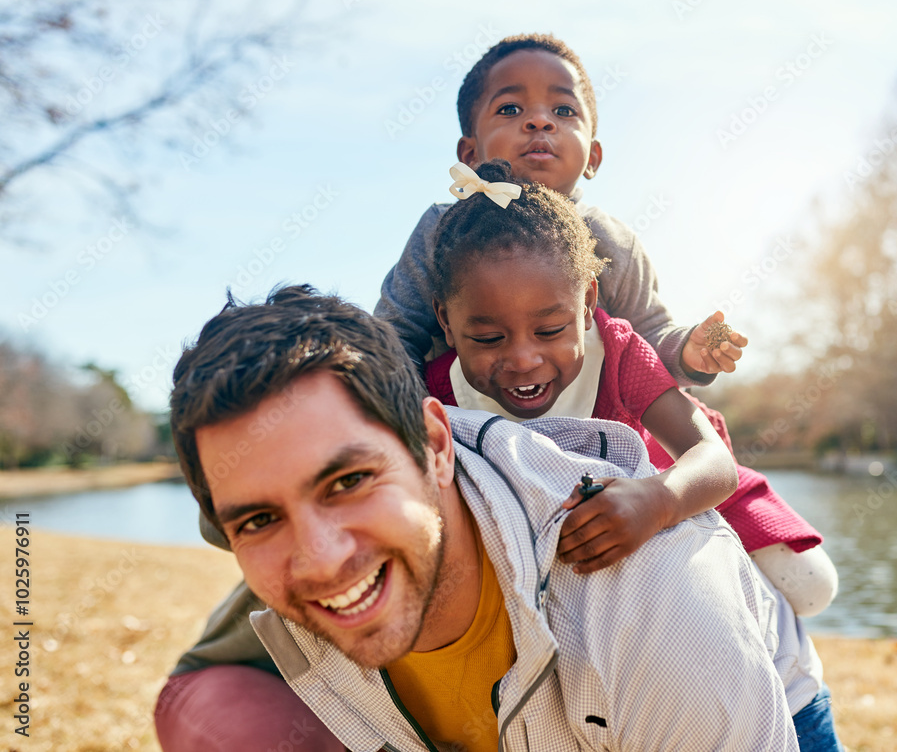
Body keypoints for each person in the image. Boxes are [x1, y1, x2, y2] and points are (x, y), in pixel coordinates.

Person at [166, 285, 827, 751]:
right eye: (258, 520)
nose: (320, 558)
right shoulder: (298, 608)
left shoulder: (655, 612)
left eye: (349, 482)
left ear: (434, 444)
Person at [427, 159, 840, 614]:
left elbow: (714, 462)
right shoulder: (439, 394)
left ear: (587, 303)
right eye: (489, 338)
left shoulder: (617, 353)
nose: (523, 360)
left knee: (811, 586)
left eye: (549, 331)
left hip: (671, 479)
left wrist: (656, 501)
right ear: (446, 321)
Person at [374, 32, 747, 386]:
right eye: (510, 108)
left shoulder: (613, 241)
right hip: (463, 420)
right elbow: (396, 332)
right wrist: (404, 411)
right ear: (470, 154)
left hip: (596, 426)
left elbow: (650, 336)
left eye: (564, 110)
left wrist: (687, 353)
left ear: (593, 157)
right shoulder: (443, 230)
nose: (540, 120)